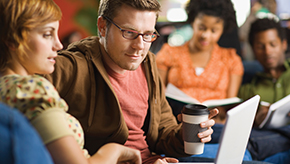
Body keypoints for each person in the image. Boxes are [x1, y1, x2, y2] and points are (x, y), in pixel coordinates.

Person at [43, 0, 218, 163]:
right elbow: (22, 91)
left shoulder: (148, 65)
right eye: (129, 33)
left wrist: (186, 135)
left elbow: (163, 133)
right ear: (102, 27)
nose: (139, 46)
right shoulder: (72, 66)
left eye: (148, 34)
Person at [0, 0, 143, 164]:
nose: (58, 45)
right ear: (11, 39)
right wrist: (115, 150)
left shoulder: (6, 88)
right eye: (47, 34)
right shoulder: (29, 89)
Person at [156, 0, 244, 123]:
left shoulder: (231, 60)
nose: (205, 35)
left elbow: (230, 106)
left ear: (222, 30)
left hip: (215, 124)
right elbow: (157, 97)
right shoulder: (169, 53)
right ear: (193, 22)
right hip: (175, 122)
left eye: (214, 31)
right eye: (201, 28)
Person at [238, 18, 290, 162]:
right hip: (267, 141)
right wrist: (255, 119)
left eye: (273, 44)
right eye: (261, 46)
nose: (268, 52)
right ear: (253, 49)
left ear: (284, 44)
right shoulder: (248, 90)